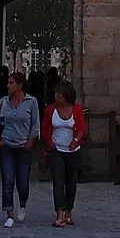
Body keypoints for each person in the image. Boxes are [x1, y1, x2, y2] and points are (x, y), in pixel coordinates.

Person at [0, 70, 40, 226]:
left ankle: (23, 202)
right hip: (7, 146)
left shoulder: (31, 102)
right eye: (8, 82)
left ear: (20, 85)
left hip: (23, 147)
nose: (8, 85)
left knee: (23, 183)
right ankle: (9, 213)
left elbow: (35, 124)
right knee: (8, 180)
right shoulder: (4, 102)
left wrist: (30, 142)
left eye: (11, 83)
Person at [41, 80, 87, 227]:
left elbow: (81, 129)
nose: (55, 96)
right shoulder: (50, 110)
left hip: (73, 151)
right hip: (57, 150)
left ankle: (68, 211)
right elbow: (45, 128)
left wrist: (76, 140)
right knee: (58, 181)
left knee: (71, 182)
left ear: (65, 96)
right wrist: (50, 144)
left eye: (58, 94)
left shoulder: (77, 110)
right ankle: (59, 213)